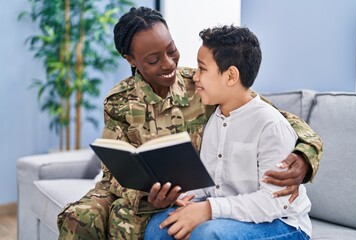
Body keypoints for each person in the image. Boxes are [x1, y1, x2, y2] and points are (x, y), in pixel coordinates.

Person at [57, 7, 322, 240]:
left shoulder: (201, 85)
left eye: (171, 50)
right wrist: (146, 196)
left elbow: (265, 113)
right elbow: (113, 169)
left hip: (223, 204)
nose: (169, 63)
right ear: (131, 60)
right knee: (79, 217)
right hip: (136, 191)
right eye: (153, 59)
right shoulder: (119, 101)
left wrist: (305, 153)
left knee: (139, 225)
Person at [144, 25, 312, 240]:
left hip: (282, 224)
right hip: (230, 216)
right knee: (160, 225)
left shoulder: (270, 125)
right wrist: (185, 199)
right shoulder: (215, 118)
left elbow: (274, 202)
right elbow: (210, 186)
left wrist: (208, 210)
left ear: (231, 76)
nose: (195, 77)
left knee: (209, 233)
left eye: (202, 69)